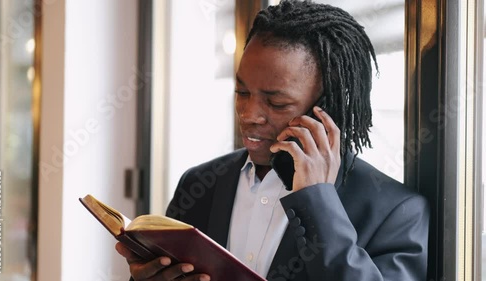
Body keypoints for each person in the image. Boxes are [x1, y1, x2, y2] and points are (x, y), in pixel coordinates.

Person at [116, 1, 430, 280]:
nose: (249, 113)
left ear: (328, 107)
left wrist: (318, 202)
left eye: (276, 103)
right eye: (242, 92)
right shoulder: (200, 183)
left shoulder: (397, 212)